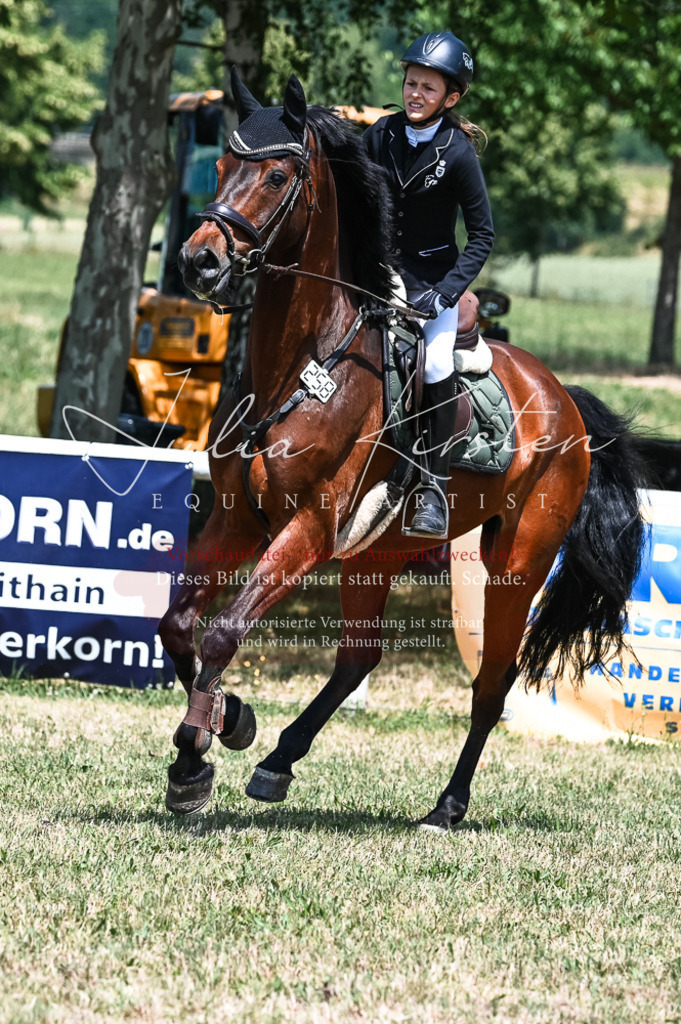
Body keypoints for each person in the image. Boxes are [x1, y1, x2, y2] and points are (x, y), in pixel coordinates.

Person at [363, 31, 494, 539]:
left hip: (432, 282)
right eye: (411, 83)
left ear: (451, 97)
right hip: (379, 272)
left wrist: (446, 292)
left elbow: (482, 234)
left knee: (436, 360)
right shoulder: (380, 134)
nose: (415, 93)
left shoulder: (458, 154)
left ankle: (433, 486)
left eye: (428, 88)